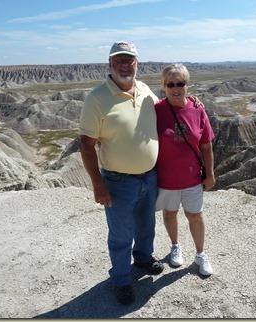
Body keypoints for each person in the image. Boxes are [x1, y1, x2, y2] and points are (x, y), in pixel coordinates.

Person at [78, 41, 164, 305]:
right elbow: (86, 143)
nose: (124, 65)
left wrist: (190, 102)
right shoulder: (97, 98)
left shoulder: (145, 90)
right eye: (119, 60)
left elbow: (167, 112)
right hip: (118, 182)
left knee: (146, 225)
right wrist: (98, 184)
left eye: (129, 60)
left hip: (149, 177)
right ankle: (122, 280)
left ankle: (143, 258)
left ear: (137, 63)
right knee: (121, 234)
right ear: (109, 64)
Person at [155, 63, 215, 276]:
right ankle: (175, 246)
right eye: (170, 84)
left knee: (195, 216)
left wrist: (210, 173)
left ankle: (200, 254)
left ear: (187, 85)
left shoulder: (197, 110)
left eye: (180, 83)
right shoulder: (156, 110)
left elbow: (206, 145)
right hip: (166, 179)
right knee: (170, 213)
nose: (175, 88)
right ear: (164, 86)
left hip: (191, 178)